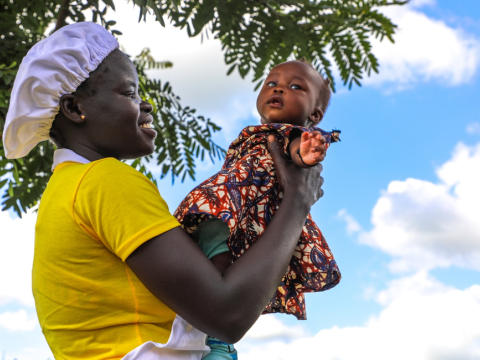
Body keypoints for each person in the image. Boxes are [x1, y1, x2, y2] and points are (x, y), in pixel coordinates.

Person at [2, 22, 326, 360]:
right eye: (129, 93)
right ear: (74, 109)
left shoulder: (66, 187)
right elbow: (226, 315)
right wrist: (297, 200)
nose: (146, 106)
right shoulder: (104, 180)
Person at [174, 60, 342, 358]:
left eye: (295, 87)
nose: (278, 88)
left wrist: (306, 155)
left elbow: (296, 153)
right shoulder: (258, 133)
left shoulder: (290, 134)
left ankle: (217, 335)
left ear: (314, 114)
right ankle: (213, 334)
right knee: (205, 258)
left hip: (247, 215)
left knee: (219, 274)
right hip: (231, 210)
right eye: (271, 82)